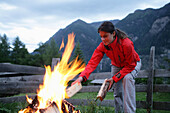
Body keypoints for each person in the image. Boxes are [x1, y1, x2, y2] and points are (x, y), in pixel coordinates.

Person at [72, 21, 141, 113]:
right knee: (117, 91)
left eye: (105, 36)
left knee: (127, 79)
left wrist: (114, 78)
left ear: (113, 33)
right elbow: (92, 62)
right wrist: (81, 78)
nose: (103, 39)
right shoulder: (103, 46)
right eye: (101, 37)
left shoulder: (126, 44)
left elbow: (130, 65)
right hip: (116, 65)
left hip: (132, 64)